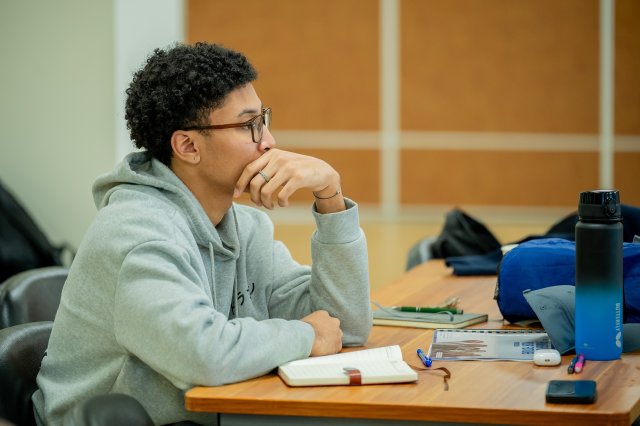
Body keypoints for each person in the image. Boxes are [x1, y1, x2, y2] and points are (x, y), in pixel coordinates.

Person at [32, 42, 372, 425]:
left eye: (263, 119)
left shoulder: (245, 227)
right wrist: (305, 336)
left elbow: (343, 327)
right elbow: (203, 356)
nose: (269, 141)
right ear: (188, 146)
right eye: (248, 126)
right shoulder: (136, 232)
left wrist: (330, 196)